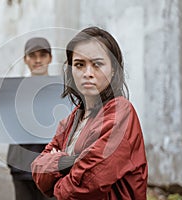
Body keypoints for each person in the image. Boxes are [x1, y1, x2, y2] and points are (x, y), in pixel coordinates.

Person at [31, 27, 148, 199]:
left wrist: (57, 173)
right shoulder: (70, 121)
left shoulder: (121, 113)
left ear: (114, 69)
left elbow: (85, 184)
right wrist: (69, 161)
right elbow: (38, 169)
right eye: (79, 64)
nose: (88, 73)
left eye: (97, 64)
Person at [6, 37, 56, 200]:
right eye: (32, 55)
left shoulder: (62, 89)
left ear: (50, 58)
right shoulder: (11, 91)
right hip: (21, 165)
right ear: (25, 59)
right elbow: (0, 121)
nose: (38, 60)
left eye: (42, 55)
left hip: (52, 167)